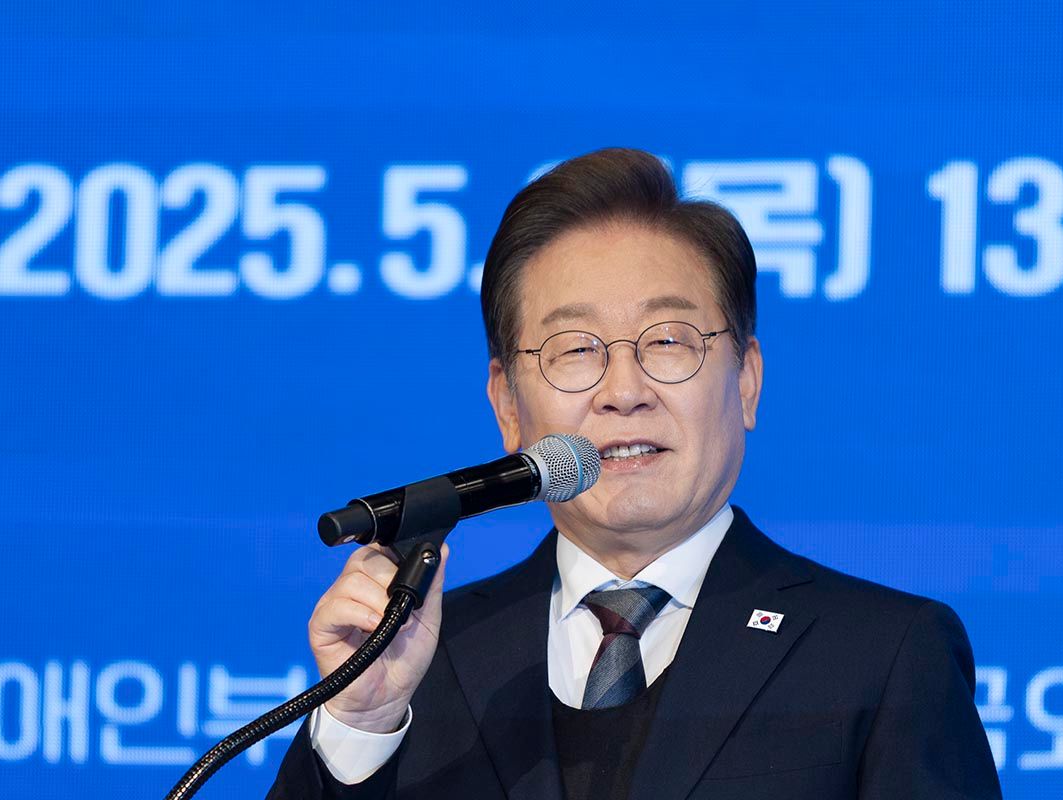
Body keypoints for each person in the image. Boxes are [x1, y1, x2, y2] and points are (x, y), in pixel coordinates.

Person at [268, 148, 1003, 799]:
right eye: (575, 348)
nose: (624, 390)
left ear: (747, 381)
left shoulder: (882, 654)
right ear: (507, 406)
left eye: (668, 341)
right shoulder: (418, 658)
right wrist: (360, 724)